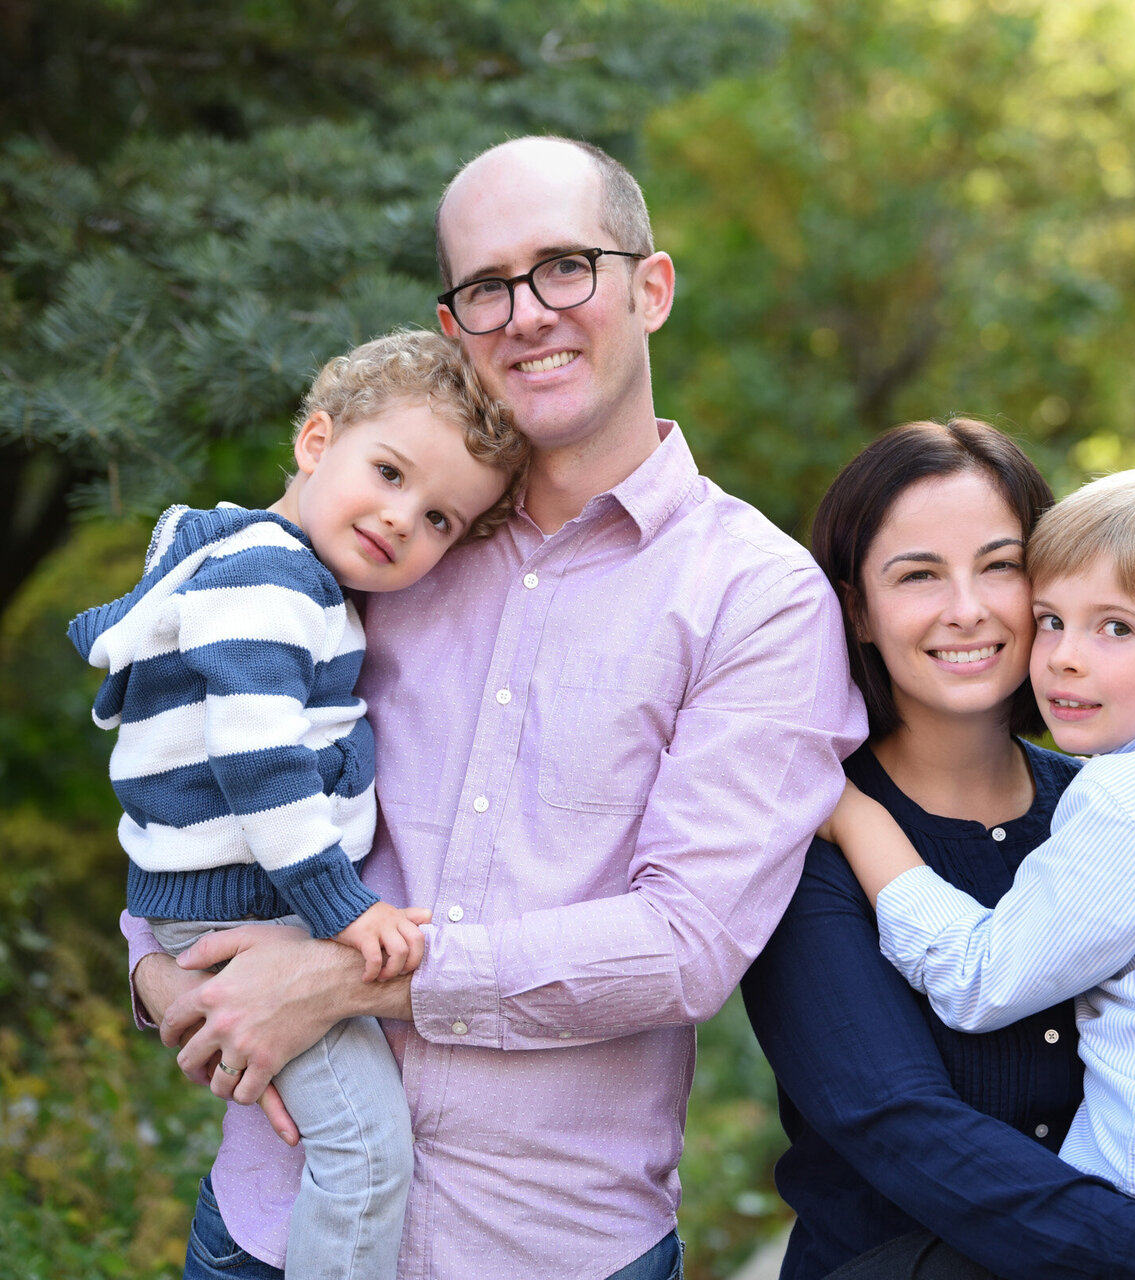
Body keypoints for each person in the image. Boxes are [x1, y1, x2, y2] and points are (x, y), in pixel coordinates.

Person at [123, 136, 865, 1280]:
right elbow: (193, 749)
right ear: (455, 320)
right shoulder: (381, 539)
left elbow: (684, 944)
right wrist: (156, 971)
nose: (526, 312)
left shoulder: (755, 598)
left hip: (549, 1245)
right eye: (485, 286)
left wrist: (344, 977)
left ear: (648, 286)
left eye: (564, 266)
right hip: (272, 1224)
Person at [740, 421, 1135, 1280]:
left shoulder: (1131, 805)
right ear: (857, 606)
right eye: (918, 574)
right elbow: (903, 1126)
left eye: (1000, 566)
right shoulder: (819, 828)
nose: (966, 607)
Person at [73, 330, 522, 1280]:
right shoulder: (270, 582)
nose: (405, 520)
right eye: (390, 473)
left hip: (228, 896)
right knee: (362, 1160)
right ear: (316, 443)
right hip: (256, 903)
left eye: (442, 518)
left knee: (349, 1140)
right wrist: (340, 914)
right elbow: (256, 760)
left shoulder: (258, 563)